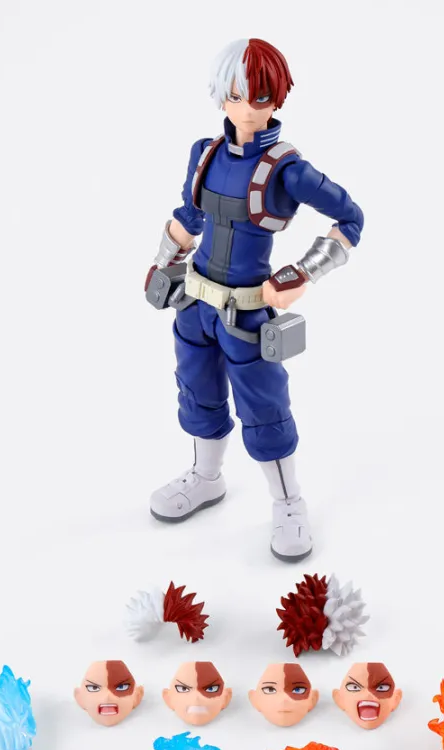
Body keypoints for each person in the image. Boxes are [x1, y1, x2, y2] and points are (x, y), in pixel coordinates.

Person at [145, 38, 364, 561]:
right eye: (236, 95)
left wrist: (302, 273)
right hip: (193, 304)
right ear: (221, 96)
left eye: (260, 97)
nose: (247, 108)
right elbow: (190, 217)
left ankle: (288, 501)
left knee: (264, 408)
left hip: (245, 313)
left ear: (277, 99)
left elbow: (351, 219)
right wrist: (161, 260)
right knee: (196, 394)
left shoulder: (288, 170)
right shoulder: (205, 154)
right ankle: (206, 477)